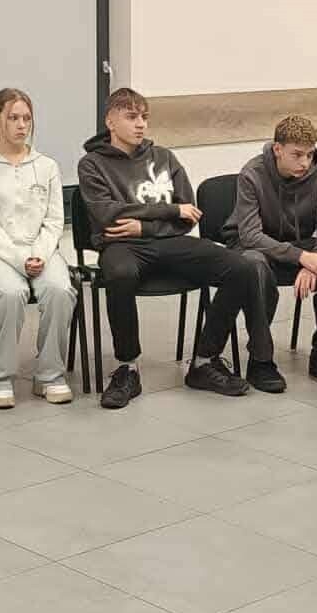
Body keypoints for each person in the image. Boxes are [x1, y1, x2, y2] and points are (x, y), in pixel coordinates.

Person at [77, 88, 270, 408]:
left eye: (144, 117)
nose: (141, 124)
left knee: (241, 268)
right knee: (120, 273)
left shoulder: (164, 157)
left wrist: (145, 226)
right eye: (131, 117)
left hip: (169, 241)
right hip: (122, 245)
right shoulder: (92, 164)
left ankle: (205, 361)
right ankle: (127, 368)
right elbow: (107, 215)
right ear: (110, 121)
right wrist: (167, 211)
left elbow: (188, 214)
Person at [0, 88, 77, 409]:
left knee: (60, 290)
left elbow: (54, 220)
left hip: (42, 250)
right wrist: (20, 258)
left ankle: (50, 375)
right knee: (11, 292)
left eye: (27, 118)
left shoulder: (47, 166)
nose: (21, 125)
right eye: (13, 117)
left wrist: (39, 253)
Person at [227, 114, 317, 388]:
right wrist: (302, 257)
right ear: (277, 149)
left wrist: (315, 260)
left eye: (309, 154)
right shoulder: (252, 174)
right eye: (297, 155)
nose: (305, 163)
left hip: (298, 246)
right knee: (254, 265)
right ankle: (260, 360)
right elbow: (250, 236)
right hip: (256, 247)